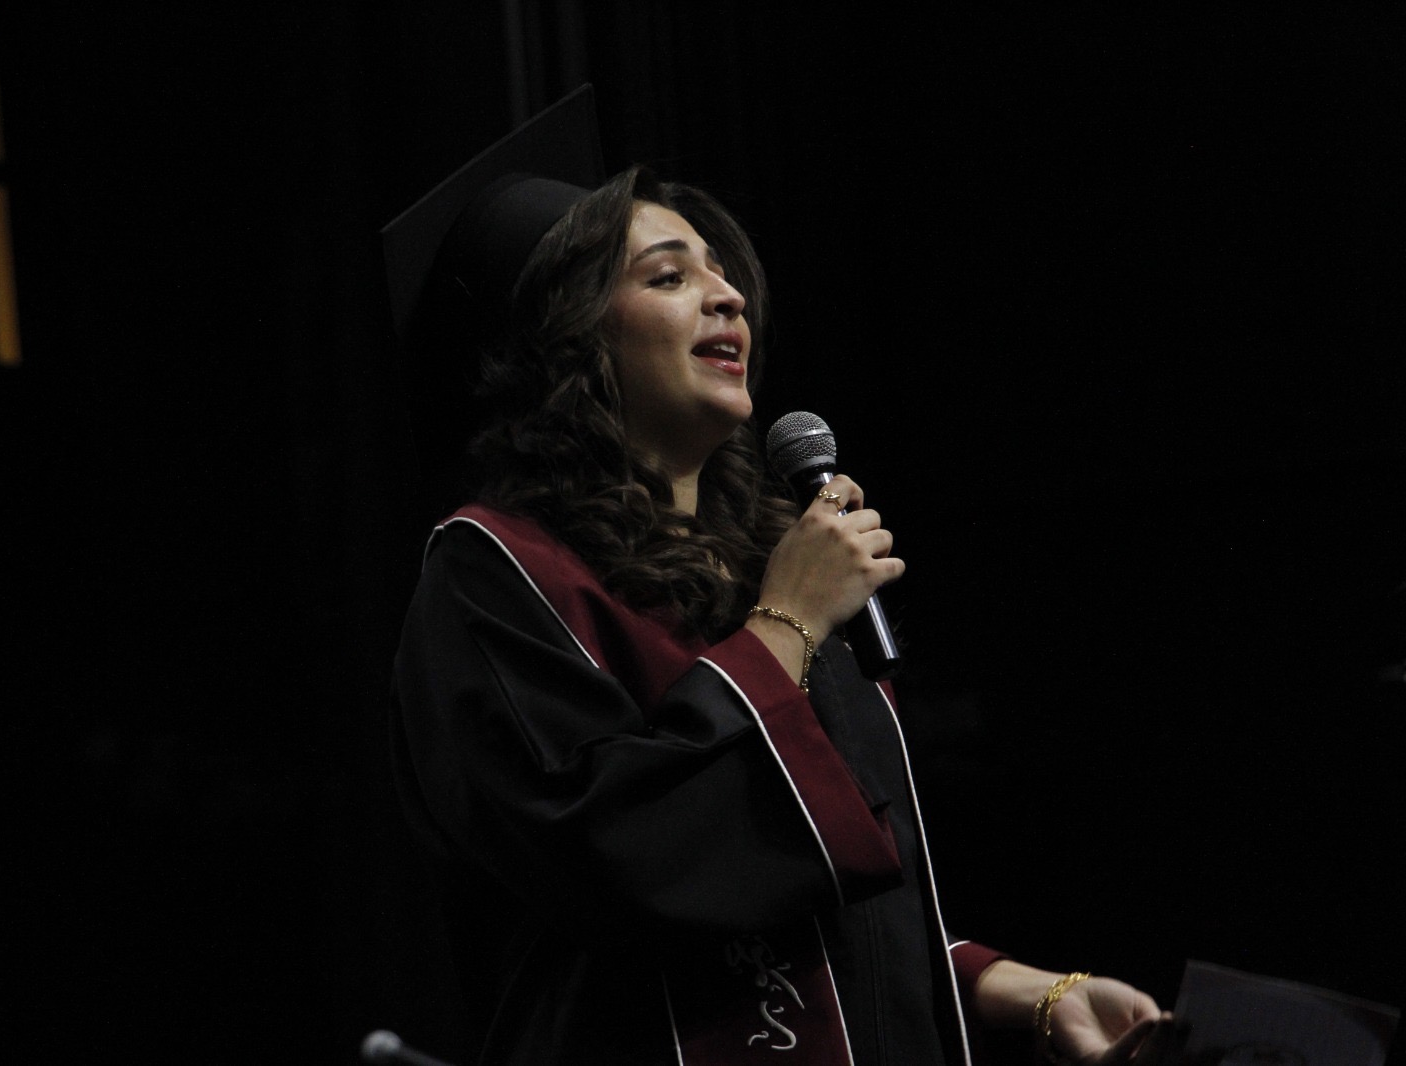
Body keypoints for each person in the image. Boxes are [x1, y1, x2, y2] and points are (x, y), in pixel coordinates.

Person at [386, 90, 1179, 1066]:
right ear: (564, 340)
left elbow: (817, 905)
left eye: (723, 274)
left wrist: (1019, 987)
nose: (726, 297)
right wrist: (786, 624)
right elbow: (620, 859)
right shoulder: (495, 572)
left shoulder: (764, 566)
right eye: (668, 276)